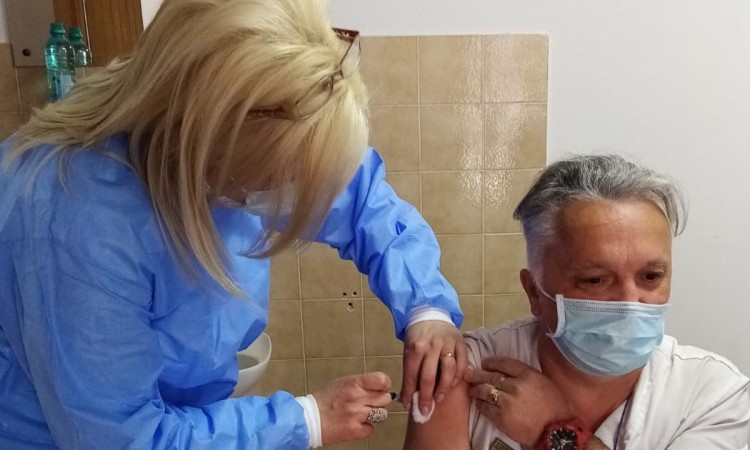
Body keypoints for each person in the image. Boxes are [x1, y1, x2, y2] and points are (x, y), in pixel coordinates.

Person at [0, 0, 468, 448]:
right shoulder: (79, 223)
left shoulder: (256, 125)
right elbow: (121, 438)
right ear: (207, 142)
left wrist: (426, 309)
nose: (290, 196)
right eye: (277, 179)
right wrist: (306, 420)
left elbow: (362, 201)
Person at [404, 154, 750, 450]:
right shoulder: (461, 370)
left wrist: (556, 431)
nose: (630, 302)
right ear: (534, 292)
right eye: (595, 280)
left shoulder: (713, 395)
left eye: (650, 276)